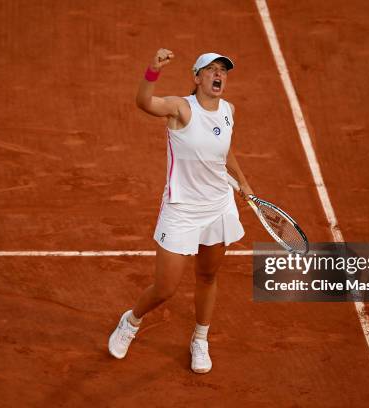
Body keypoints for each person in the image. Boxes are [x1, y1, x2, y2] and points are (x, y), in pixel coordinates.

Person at [108, 48, 253, 374]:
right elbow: (145, 103)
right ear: (197, 77)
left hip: (218, 206)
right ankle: (130, 322)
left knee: (208, 275)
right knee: (165, 288)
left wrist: (243, 182)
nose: (219, 75)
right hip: (182, 210)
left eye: (224, 71)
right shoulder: (181, 109)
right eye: (212, 70)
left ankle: (200, 338)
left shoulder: (228, 110)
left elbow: (225, 153)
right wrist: (151, 71)